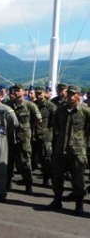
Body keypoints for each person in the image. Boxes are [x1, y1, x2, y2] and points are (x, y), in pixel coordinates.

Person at [46, 85, 90, 215]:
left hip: (77, 150)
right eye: (69, 94)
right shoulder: (61, 110)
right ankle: (57, 200)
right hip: (61, 148)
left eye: (73, 94)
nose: (70, 96)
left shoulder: (85, 111)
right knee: (57, 176)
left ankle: (79, 204)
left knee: (78, 178)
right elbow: (55, 126)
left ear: (79, 96)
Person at [7, 84, 42, 194]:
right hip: (10, 137)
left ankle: (28, 184)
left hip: (24, 138)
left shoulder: (29, 105)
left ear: (24, 92)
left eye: (18, 90)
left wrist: (28, 129)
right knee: (8, 161)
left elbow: (38, 120)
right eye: (14, 90)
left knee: (25, 161)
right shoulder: (9, 105)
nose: (16, 92)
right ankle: (7, 183)